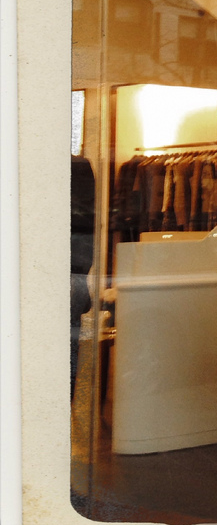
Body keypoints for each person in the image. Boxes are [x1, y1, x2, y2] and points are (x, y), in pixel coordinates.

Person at [70, 155, 96, 401]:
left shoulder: (77, 167)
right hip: (73, 269)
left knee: (67, 344)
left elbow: (85, 224)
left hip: (69, 270)